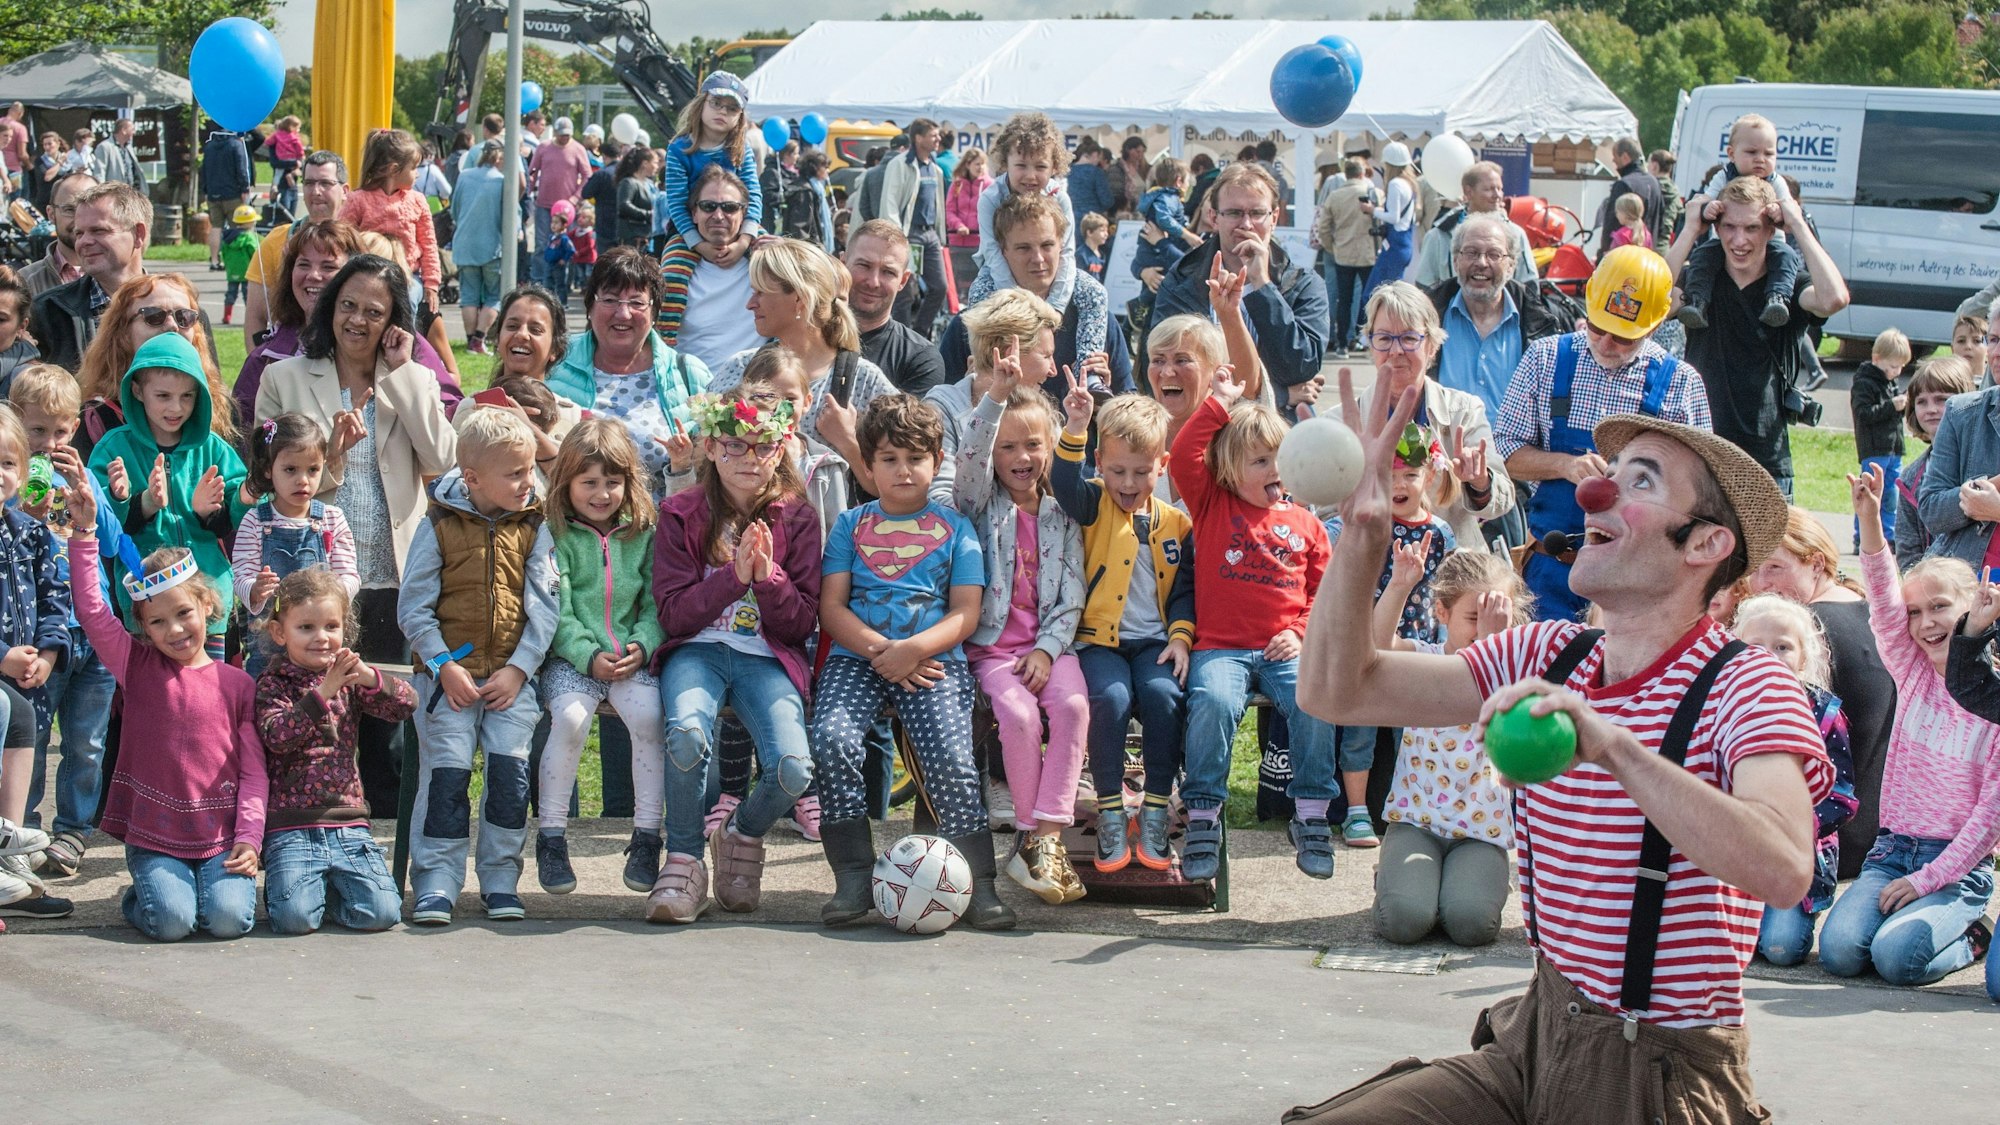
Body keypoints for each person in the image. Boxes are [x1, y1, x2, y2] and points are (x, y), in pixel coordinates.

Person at [1291, 372, 1827, 1120]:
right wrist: (1362, 537)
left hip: (1659, 1066)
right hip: (1537, 1030)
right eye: (1610, 470)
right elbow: (1337, 691)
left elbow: (1783, 867)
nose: (1593, 492)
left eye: (1639, 479)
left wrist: (1616, 747)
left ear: (1706, 542)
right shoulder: (1548, 652)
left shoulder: (1748, 686)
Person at [254, 254, 459, 814]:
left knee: (383, 719)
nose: (358, 321)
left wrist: (405, 372)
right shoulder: (284, 377)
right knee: (312, 711)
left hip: (392, 572)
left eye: (375, 311)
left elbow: (441, 457)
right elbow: (267, 475)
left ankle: (383, 835)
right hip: (313, 580)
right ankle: (309, 828)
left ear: (395, 320)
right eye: (348, 305)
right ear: (330, 306)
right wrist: (334, 456)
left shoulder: (408, 377)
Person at [811, 394, 1016, 931]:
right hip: (861, 657)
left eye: (914, 458)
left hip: (931, 659)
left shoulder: (956, 528)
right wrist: (883, 652)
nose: (903, 471)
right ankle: (853, 877)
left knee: (950, 753)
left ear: (938, 458)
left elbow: (965, 613)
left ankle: (979, 884)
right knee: (832, 737)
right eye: (888, 459)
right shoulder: (850, 525)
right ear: (870, 464)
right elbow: (831, 607)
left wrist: (914, 650)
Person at [1816, 469, 2000, 988]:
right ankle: (1912, 921)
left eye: (1940, 607)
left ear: (1978, 606)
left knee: (1898, 959)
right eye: (1916, 612)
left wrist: (1929, 881)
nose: (1924, 622)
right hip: (1892, 852)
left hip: (1956, 867)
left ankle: (1969, 935)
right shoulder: (1914, 673)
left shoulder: (1993, 700)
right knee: (1840, 953)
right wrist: (1871, 521)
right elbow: (1882, 601)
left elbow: (1990, 818)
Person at [650, 389, 821, 922]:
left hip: (764, 658)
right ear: (709, 446)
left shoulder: (798, 518)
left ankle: (740, 833)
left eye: (764, 446)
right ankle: (682, 858)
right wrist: (733, 577)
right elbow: (674, 615)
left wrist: (767, 578)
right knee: (686, 736)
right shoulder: (680, 512)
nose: (750, 459)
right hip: (696, 652)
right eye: (735, 445)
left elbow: (800, 622)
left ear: (783, 447)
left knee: (793, 769)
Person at [67, 482, 265, 943]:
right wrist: (83, 532)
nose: (175, 629)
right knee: (172, 923)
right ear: (144, 628)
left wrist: (250, 838)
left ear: (207, 605)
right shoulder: (136, 667)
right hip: (156, 835)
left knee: (228, 920)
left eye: (183, 613)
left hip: (220, 835)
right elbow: (94, 612)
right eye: (157, 622)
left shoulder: (238, 685)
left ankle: (191, 890)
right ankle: (142, 897)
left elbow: (255, 773)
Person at [1172, 366, 1337, 882]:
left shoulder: (1307, 522)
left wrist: (1300, 632)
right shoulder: (1211, 505)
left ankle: (1310, 815)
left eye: (1281, 460)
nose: (1275, 470)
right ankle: (1203, 815)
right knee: (1214, 704)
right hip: (1220, 647)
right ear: (1227, 469)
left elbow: (1323, 592)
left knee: (1314, 701)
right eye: (1260, 461)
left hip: (1284, 649)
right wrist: (1218, 402)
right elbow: (1181, 456)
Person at [398, 408, 558, 927]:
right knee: (446, 778)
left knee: (510, 780)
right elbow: (414, 605)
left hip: (512, 680)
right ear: (472, 478)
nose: (527, 481)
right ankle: (437, 883)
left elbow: (545, 606)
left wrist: (520, 669)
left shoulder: (534, 524)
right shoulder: (439, 523)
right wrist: (443, 665)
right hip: (450, 682)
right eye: (514, 473)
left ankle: (499, 879)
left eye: (530, 468)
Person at [1495, 247, 1709, 623]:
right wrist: (1564, 465)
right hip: (1549, 571)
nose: (1606, 343)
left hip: (1634, 582)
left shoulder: (1680, 383)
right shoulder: (1545, 358)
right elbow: (1506, 450)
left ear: (1655, 325)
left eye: (1624, 337)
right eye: (1598, 327)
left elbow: (1699, 489)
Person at [954, 334, 1087, 905]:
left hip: (1049, 648)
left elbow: (1073, 594)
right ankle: (1036, 841)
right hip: (992, 651)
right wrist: (994, 402)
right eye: (1008, 448)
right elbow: (966, 469)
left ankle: (1046, 835)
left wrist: (1048, 649)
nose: (1021, 458)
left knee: (1073, 706)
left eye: (1033, 445)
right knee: (1017, 715)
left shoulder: (1064, 513)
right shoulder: (983, 506)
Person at [534, 419, 668, 898]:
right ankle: (551, 836)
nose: (602, 493)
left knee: (650, 718)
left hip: (630, 659)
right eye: (588, 482)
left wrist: (642, 644)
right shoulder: (553, 534)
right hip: (573, 661)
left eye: (612, 481)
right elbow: (556, 608)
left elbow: (656, 600)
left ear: (629, 482)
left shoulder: (644, 532)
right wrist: (586, 655)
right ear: (565, 483)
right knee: (569, 720)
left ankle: (648, 835)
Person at [1370, 551, 1527, 946]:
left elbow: (1506, 721)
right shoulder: (1423, 659)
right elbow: (1373, 649)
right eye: (1474, 618)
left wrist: (1495, 642)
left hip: (1480, 832)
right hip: (1416, 824)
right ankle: (1401, 880)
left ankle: (1459, 888)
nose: (1483, 629)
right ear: (1442, 612)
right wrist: (1400, 584)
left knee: (1471, 924)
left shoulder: (1519, 668)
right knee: (1403, 921)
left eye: (1497, 616)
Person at [253, 568, 415, 934]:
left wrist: (371, 678)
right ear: (280, 632)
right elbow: (278, 736)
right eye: (306, 628)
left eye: (331, 626)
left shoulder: (349, 678)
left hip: (348, 823)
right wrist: (323, 692)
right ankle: (311, 892)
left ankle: (329, 893)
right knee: (294, 920)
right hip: (291, 825)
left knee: (384, 913)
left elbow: (405, 706)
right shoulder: (273, 681)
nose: (321, 638)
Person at [1322, 419, 1459, 848]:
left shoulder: (1441, 532)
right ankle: (1358, 810)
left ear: (1430, 476)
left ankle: (1412, 808)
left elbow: (1450, 587)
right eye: (1390, 475)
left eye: (1410, 475)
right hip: (1367, 640)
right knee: (1360, 729)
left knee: (1413, 733)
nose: (1400, 484)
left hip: (1419, 646)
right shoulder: (1369, 525)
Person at [10, 365, 123, 881]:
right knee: (30, 736)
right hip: (43, 635)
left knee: (87, 739)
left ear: (75, 427)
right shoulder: (12, 482)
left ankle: (73, 829)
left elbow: (114, 541)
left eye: (59, 431)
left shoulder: (83, 477)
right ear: (17, 424)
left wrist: (93, 492)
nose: (48, 443)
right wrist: (27, 510)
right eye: (37, 431)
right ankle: (23, 825)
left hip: (94, 628)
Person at [1746, 507, 1894, 882]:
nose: (1761, 583)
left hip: (1832, 841)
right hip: (1881, 828)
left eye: (1775, 568)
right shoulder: (1867, 609)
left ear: (1815, 564)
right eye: (1754, 570)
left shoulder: (1802, 631)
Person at [86, 333, 250, 658]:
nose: (176, 408)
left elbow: (240, 514)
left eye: (187, 396)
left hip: (207, 602)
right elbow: (100, 531)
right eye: (163, 395)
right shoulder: (114, 449)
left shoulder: (214, 448)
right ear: (137, 391)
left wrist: (217, 510)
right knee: (157, 696)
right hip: (150, 610)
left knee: (209, 692)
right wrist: (137, 503)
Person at [704, 239, 899, 487]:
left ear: (799, 300)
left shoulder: (864, 381)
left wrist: (847, 442)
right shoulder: (739, 368)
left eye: (761, 292)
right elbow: (702, 464)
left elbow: (895, 486)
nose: (750, 304)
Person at [233, 219, 462, 428]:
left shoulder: (399, 342)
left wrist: (404, 373)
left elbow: (450, 414)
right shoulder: (268, 357)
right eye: (303, 264)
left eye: (328, 266)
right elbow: (243, 443)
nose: (313, 275)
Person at [1729, 593, 1855, 967]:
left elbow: (1842, 797)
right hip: (1736, 854)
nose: (1769, 655)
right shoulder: (1722, 705)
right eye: (1756, 646)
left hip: (1798, 851)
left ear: (1803, 658)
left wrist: (1786, 828)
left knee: (1781, 948)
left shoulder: (1825, 714)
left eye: (1783, 647)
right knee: (1737, 949)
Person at [1153, 162, 1326, 418]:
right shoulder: (1182, 280)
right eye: (1234, 213)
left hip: (1274, 424)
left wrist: (1262, 285)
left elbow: (1300, 368)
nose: (1246, 224)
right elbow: (1168, 375)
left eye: (1257, 213)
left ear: (1274, 218)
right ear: (1213, 217)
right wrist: (1279, 393)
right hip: (1201, 421)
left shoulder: (1302, 283)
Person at [1361, 281, 1515, 553]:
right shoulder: (1344, 423)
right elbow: (1326, 516)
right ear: (1371, 345)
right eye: (1384, 338)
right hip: (1373, 572)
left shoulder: (1465, 411)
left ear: (1432, 346)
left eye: (1409, 338)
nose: (1395, 351)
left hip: (1453, 574)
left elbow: (1504, 500)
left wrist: (1480, 483)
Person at [545, 247, 711, 499]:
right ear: (590, 306)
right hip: (569, 529)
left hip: (661, 531)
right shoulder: (554, 360)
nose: (623, 314)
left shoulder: (689, 373)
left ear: (654, 312)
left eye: (636, 302)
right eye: (610, 300)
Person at [940, 193, 1127, 404]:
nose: (1038, 259)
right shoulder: (969, 326)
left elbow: (1129, 414)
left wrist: (1104, 401)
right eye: (1024, 248)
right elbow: (941, 416)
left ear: (1062, 247)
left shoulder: (1096, 321)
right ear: (1002, 252)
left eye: (1047, 246)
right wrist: (971, 391)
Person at [32, 182, 217, 376]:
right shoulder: (47, 312)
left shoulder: (186, 314)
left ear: (138, 234)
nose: (84, 242)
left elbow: (214, 395)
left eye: (99, 231)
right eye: (79, 233)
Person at [0, 404, 70, 915]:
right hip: (4, 666)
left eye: (6, 463)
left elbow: (55, 597)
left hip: (23, 673)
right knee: (13, 716)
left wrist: (47, 654)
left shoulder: (29, 531)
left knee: (23, 721)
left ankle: (9, 860)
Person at [231, 413, 359, 677]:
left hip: (320, 650)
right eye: (291, 470)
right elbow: (240, 575)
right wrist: (255, 589)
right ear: (268, 469)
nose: (303, 480)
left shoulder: (332, 519)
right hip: (269, 655)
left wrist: (333, 595)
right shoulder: (254, 521)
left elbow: (350, 575)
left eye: (312, 470)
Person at [1422, 214, 1573, 424]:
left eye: (1494, 254)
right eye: (1472, 253)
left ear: (1511, 266)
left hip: (1515, 455)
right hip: (1442, 453)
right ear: (1456, 261)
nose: (1482, 263)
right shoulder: (1425, 319)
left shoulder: (1542, 325)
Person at [1676, 117, 1802, 331]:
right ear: (1732, 153)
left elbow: (1788, 209)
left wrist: (1777, 212)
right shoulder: (1723, 176)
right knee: (1702, 257)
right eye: (1752, 152)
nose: (1760, 160)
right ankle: (1698, 301)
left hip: (1770, 245)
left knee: (1787, 257)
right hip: (1723, 246)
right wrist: (1709, 210)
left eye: (1768, 154)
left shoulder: (1776, 181)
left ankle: (1777, 299)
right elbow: (1705, 200)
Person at [969, 114, 1078, 313]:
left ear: (1054, 166)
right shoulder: (990, 199)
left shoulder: (1060, 199)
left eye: (1040, 167)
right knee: (978, 292)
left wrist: (1055, 307)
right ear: (1005, 163)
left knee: (1094, 292)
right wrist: (1016, 302)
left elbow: (1067, 253)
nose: (1030, 176)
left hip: (1048, 271)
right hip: (1000, 272)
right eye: (1021, 165)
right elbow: (992, 252)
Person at [656, 166, 761, 372]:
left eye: (729, 207)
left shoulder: (767, 262)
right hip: (689, 392)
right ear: (694, 213)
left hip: (752, 393)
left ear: (744, 213)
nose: (719, 215)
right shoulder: (673, 268)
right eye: (708, 206)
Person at [244, 150, 350, 345]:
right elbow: (255, 316)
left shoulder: (360, 242)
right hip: (287, 359)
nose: (316, 191)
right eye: (309, 183)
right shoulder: (276, 240)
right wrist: (258, 364)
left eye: (325, 183)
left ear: (345, 191)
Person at [338, 129, 443, 317]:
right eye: (413, 168)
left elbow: (428, 245)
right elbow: (342, 240)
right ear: (394, 169)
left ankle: (406, 340)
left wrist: (432, 283)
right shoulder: (358, 200)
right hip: (368, 274)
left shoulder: (417, 201)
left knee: (407, 299)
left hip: (408, 276)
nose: (417, 174)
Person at [845, 219, 948, 396]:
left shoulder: (919, 359)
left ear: (903, 280)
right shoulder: (807, 336)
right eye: (864, 266)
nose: (873, 282)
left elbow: (905, 424)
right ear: (843, 263)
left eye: (888, 272)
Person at [662, 71, 760, 248]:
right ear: (701, 104)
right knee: (673, 269)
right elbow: (676, 204)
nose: (723, 111)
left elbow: (753, 195)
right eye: (716, 103)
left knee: (772, 259)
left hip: (737, 228)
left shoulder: (742, 149)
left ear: (740, 116)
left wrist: (744, 241)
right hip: (688, 231)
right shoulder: (678, 149)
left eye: (732, 108)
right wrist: (699, 245)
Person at [1895, 356, 1977, 568]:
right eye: (1921, 401)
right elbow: (1908, 550)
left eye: (1942, 399)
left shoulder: (1979, 459)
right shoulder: (1911, 478)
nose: (1931, 409)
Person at [1412, 162, 1537, 289]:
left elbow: (1529, 285)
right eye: (1489, 189)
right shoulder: (1439, 236)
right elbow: (1424, 285)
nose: (1497, 195)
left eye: (1499, 189)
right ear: (1468, 192)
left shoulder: (1515, 234)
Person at [877, 117, 950, 334]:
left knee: (940, 287)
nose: (938, 139)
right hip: (908, 234)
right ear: (918, 138)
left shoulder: (934, 168)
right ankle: (900, 335)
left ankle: (918, 334)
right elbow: (890, 201)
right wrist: (897, 237)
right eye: (933, 135)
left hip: (929, 235)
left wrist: (940, 235)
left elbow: (938, 205)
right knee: (904, 291)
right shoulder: (900, 164)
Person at [1850, 327, 1910, 550]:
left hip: (1893, 447)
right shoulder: (1865, 382)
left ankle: (1888, 533)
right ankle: (1861, 536)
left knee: (1892, 494)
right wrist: (1890, 406)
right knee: (1870, 493)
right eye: (1893, 366)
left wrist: (1902, 405)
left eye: (1901, 367)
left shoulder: (1890, 381)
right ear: (1877, 359)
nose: (1897, 371)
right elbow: (1864, 414)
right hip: (1874, 448)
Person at [451, 141, 509, 355]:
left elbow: (455, 209)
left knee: (468, 295)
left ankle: (469, 342)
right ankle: (479, 339)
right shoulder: (502, 181)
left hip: (465, 243)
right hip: (491, 245)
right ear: (499, 158)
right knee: (494, 295)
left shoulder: (464, 176)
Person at [1316, 159, 1378, 359]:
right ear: (1362, 174)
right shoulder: (1372, 193)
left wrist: (1330, 246)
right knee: (1370, 299)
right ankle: (1366, 340)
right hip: (1367, 252)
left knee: (1344, 299)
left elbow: (1323, 227)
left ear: (1346, 173)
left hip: (1342, 252)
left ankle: (1342, 343)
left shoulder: (1335, 196)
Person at [527, 117, 594, 289]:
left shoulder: (578, 149)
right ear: (555, 132)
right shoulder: (544, 147)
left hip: (567, 208)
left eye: (567, 135)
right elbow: (532, 171)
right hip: (544, 204)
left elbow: (587, 176)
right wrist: (528, 190)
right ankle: (539, 279)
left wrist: (575, 198)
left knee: (566, 245)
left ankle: (565, 282)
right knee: (542, 243)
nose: (564, 138)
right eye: (561, 134)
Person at [20, 169, 94, 297]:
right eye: (70, 209)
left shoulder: (119, 277)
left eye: (89, 209)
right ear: (51, 214)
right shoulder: (25, 282)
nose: (79, 220)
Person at [1595, 136, 1665, 256]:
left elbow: (1610, 223)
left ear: (1625, 157)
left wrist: (1602, 254)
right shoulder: (1654, 182)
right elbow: (1661, 219)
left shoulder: (1623, 184)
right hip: (1648, 256)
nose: (1613, 162)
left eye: (1615, 157)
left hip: (1622, 258)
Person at [200, 125, 252, 272]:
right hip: (233, 193)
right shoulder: (236, 144)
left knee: (216, 227)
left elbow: (204, 169)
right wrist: (244, 188)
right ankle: (234, 261)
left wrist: (206, 190)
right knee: (236, 227)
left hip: (213, 193)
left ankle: (214, 260)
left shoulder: (209, 146)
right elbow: (242, 169)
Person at [945, 146, 990, 303]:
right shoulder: (957, 186)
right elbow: (949, 211)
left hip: (979, 242)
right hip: (958, 242)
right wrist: (958, 225)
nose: (981, 167)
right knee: (957, 283)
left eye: (983, 164)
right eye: (977, 164)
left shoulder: (989, 185)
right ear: (968, 165)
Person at [220, 204, 261, 326]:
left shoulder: (228, 237)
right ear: (248, 223)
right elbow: (255, 253)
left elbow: (224, 253)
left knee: (230, 294)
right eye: (253, 221)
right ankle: (250, 318)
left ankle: (227, 316)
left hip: (232, 271)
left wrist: (228, 266)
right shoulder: (249, 237)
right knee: (248, 296)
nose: (254, 223)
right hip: (247, 272)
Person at [612, 145, 658, 250]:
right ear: (645, 163)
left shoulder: (650, 184)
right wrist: (649, 214)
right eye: (655, 162)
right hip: (632, 238)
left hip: (648, 236)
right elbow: (623, 206)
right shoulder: (628, 183)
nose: (657, 166)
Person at [262, 115, 305, 217]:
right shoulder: (294, 137)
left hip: (282, 159)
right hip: (291, 162)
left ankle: (275, 186)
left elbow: (267, 143)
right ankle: (288, 177)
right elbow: (299, 149)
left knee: (278, 174)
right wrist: (298, 158)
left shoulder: (277, 136)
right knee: (286, 208)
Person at [89, 117, 143, 194]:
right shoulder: (104, 146)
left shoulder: (128, 148)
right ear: (124, 130)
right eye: (132, 129)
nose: (134, 132)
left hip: (130, 194)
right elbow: (100, 173)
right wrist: (101, 194)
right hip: (114, 195)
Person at [1067, 138, 1114, 225]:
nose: (1098, 161)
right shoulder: (1096, 172)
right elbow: (1106, 200)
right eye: (1099, 158)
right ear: (1095, 154)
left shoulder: (1067, 171)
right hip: (1092, 220)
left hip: (1069, 218)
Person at [1106, 136, 1149, 219]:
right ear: (1128, 150)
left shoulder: (1142, 169)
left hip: (1139, 213)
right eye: (1137, 151)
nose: (1140, 155)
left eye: (1142, 152)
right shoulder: (1116, 169)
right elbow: (1115, 192)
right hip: (1121, 213)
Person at [1649, 149, 1684, 238]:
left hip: (1648, 240)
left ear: (1654, 166)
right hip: (1665, 242)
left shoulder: (1650, 188)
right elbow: (1680, 216)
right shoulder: (1674, 190)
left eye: (1648, 163)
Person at [1076, 212, 1109, 284]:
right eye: (1102, 230)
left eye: (1106, 231)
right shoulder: (1081, 255)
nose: (1106, 234)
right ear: (1089, 232)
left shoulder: (1102, 255)